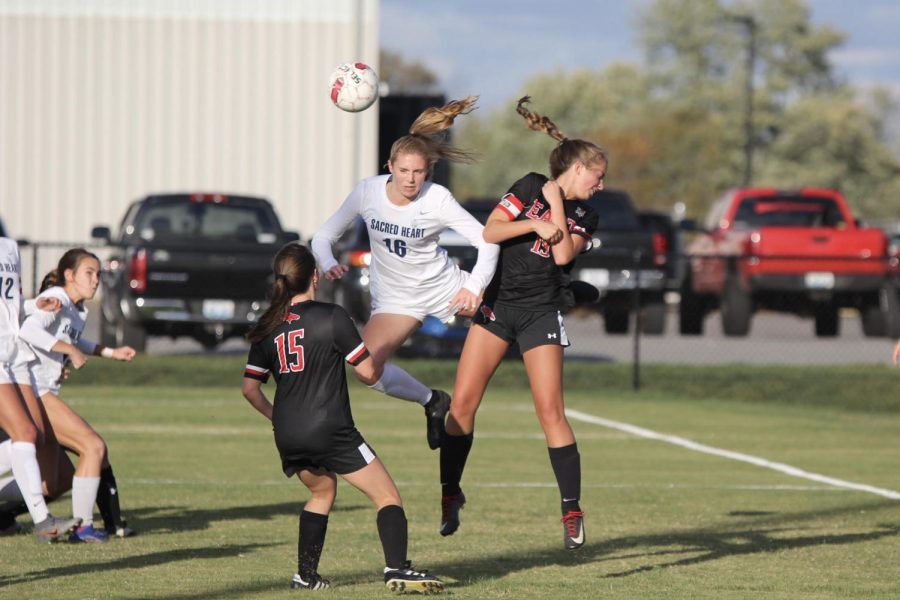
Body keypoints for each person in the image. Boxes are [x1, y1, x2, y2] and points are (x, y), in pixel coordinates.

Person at [438, 96, 605, 551]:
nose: (601, 184)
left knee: (550, 411)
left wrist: (555, 212)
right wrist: (536, 222)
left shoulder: (586, 213)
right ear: (576, 168)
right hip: (497, 309)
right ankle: (450, 493)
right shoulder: (531, 184)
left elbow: (564, 254)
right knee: (463, 407)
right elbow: (491, 231)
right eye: (597, 175)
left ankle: (571, 510)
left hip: (539, 313)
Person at [242, 242, 444, 592]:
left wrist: (278, 417)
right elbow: (367, 373)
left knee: (322, 492)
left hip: (289, 433)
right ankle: (397, 568)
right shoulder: (332, 316)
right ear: (314, 277)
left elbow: (249, 389)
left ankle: (305, 576)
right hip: (331, 430)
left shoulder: (267, 326)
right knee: (387, 497)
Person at [311, 96, 499, 450]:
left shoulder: (437, 198)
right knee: (366, 370)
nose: (411, 179)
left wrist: (473, 286)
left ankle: (561, 291)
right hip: (396, 300)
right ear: (390, 166)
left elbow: (488, 241)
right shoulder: (367, 192)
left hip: (445, 287)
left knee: (517, 317)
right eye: (404, 171)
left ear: (427, 171)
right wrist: (327, 262)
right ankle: (432, 401)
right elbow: (323, 237)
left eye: (418, 172)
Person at [13, 249, 136, 542]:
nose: (95, 281)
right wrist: (69, 351)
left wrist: (109, 352)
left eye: (98, 275)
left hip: (44, 391)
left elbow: (76, 338)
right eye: (89, 274)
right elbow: (29, 331)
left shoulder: (77, 309)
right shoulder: (58, 299)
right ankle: (83, 528)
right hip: (35, 391)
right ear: (69, 275)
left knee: (57, 482)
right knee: (92, 447)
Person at [0, 236, 82, 542]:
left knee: (36, 436)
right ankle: (43, 521)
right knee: (24, 433)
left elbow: (10, 303)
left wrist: (35, 303)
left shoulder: (9, 247)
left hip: (15, 350)